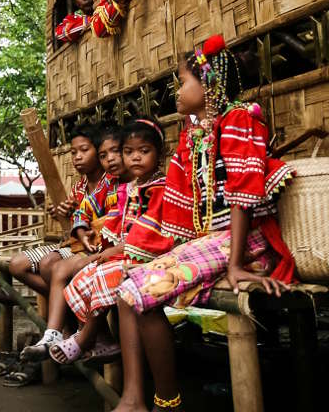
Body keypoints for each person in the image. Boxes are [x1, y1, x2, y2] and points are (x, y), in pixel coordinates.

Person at [112, 35, 295, 412]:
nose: (177, 92)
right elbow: (185, 208)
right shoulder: (196, 135)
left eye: (183, 82)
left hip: (244, 245)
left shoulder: (239, 119)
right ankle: (135, 399)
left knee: (136, 292)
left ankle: (166, 402)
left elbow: (244, 197)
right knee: (128, 286)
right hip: (214, 243)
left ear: (208, 84)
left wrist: (234, 266)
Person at [49, 119, 170, 365]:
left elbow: (153, 234)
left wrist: (112, 250)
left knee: (103, 272)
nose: (133, 158)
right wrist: (87, 235)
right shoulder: (123, 189)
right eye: (128, 152)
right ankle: (84, 336)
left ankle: (85, 338)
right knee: (89, 272)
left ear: (160, 152)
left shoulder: (161, 187)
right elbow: (103, 220)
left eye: (143, 151)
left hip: (151, 255)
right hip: (125, 253)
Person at [18, 122, 124, 361]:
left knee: (52, 266)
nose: (77, 157)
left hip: (103, 249)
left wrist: (80, 225)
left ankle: (62, 331)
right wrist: (69, 217)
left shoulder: (116, 182)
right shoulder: (81, 187)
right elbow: (80, 215)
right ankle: (67, 322)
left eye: (83, 150)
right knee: (22, 264)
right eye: (73, 152)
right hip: (79, 247)